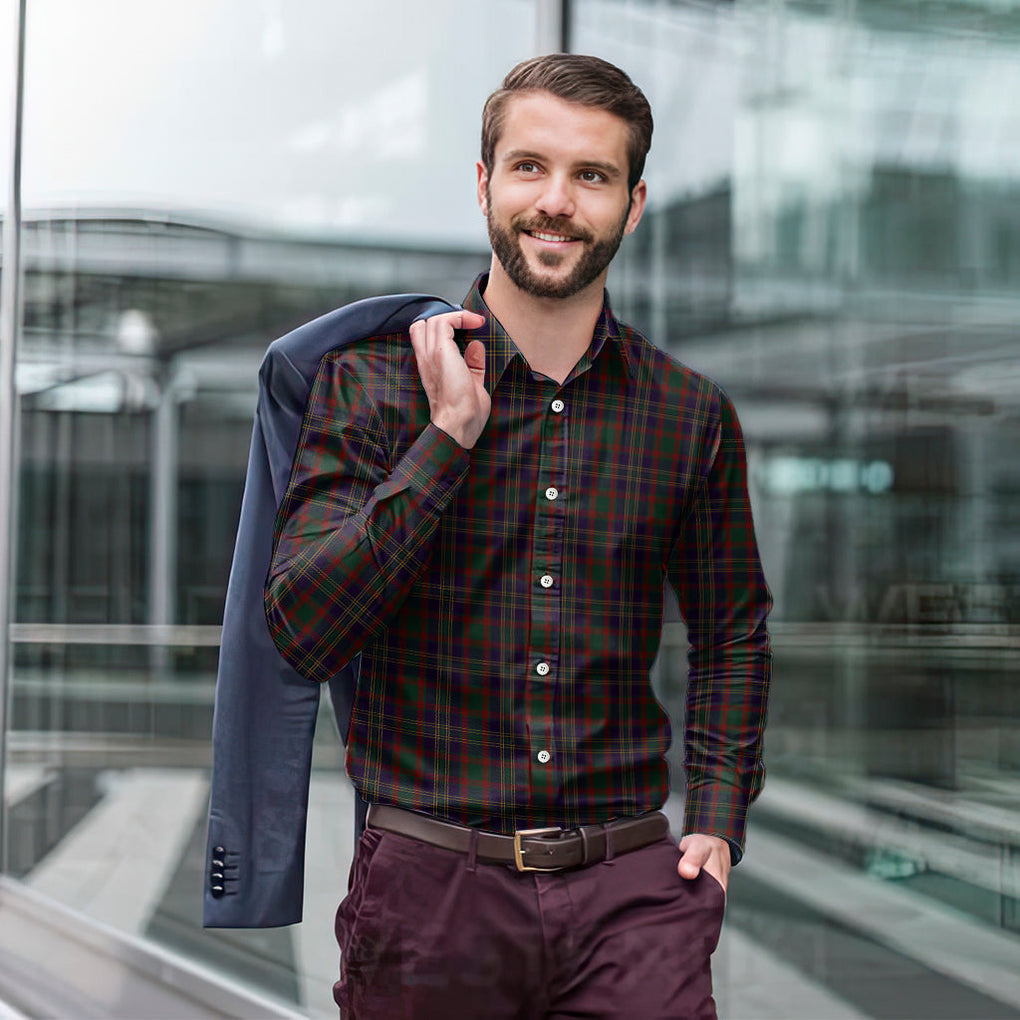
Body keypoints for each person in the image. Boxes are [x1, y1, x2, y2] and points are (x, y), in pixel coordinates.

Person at [265, 53, 772, 1019]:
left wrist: (715, 816)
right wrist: (447, 438)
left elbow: (733, 631)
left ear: (634, 202)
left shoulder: (688, 415)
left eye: (593, 175)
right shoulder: (373, 388)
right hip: (430, 897)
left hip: (632, 898)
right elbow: (302, 629)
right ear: (486, 183)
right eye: (531, 167)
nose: (557, 201)